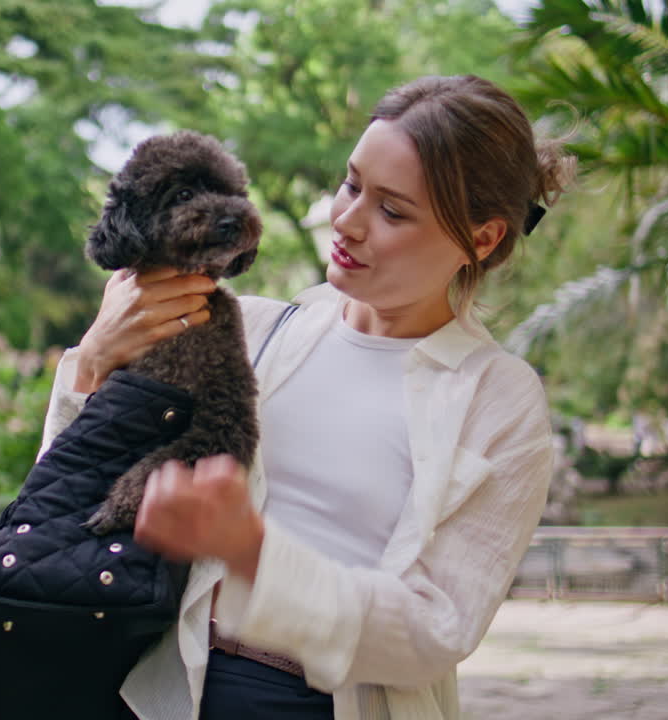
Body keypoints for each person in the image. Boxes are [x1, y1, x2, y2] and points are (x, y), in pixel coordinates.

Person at [39, 75, 574, 720]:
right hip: (161, 690)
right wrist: (93, 361)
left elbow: (438, 632)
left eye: (393, 211)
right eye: (351, 184)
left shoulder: (498, 400)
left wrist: (253, 553)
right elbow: (66, 492)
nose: (346, 220)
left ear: (482, 239)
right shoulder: (249, 328)